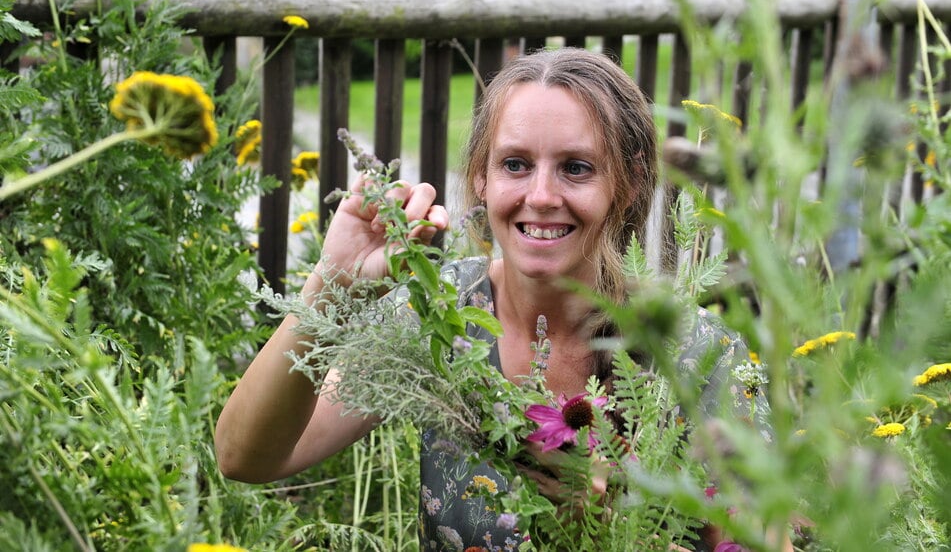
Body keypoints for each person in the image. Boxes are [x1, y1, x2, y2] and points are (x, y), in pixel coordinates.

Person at [215, 47, 770, 551]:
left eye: (576, 168)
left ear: (627, 183)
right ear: (479, 177)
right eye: (515, 164)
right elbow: (245, 457)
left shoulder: (697, 354)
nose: (542, 195)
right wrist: (332, 286)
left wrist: (614, 536)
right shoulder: (437, 318)